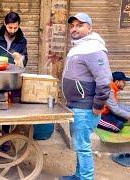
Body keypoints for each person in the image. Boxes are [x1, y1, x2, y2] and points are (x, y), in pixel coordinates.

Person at [60, 12, 112, 180]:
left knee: (83, 147)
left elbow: (104, 81)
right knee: (79, 145)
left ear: (89, 28)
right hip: (76, 105)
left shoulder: (94, 48)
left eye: (80, 25)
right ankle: (78, 176)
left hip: (85, 108)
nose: (74, 29)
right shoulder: (79, 46)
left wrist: (98, 106)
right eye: (72, 25)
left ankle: (86, 178)